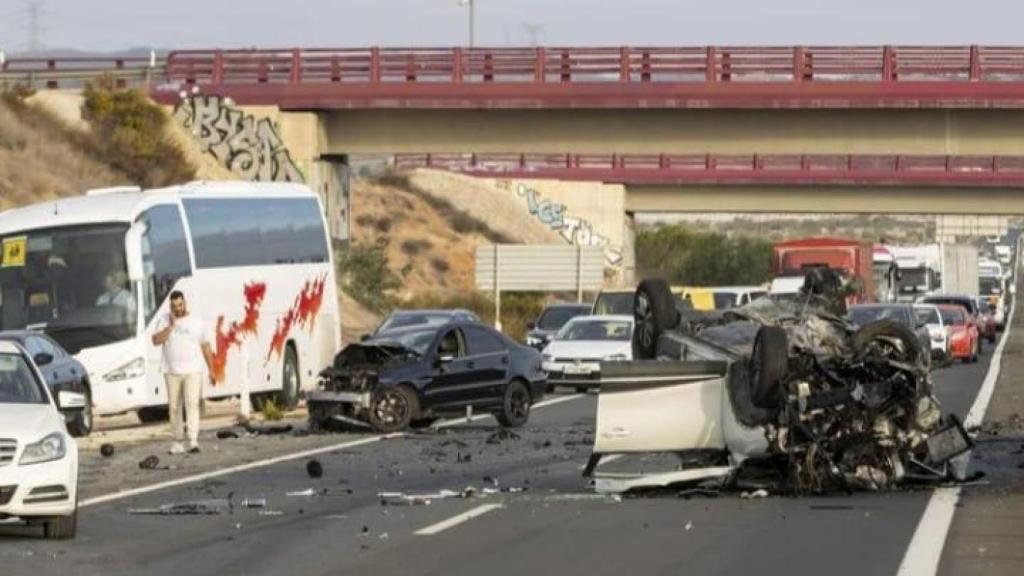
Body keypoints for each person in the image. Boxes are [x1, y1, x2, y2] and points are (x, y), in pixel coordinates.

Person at [151, 291, 216, 455]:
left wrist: (212, 369)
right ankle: (177, 441)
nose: (177, 309)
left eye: (180, 305)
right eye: (174, 306)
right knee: (174, 407)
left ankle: (193, 440)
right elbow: (156, 340)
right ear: (170, 306)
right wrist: (171, 327)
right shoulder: (164, 320)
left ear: (185, 303)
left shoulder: (196, 322)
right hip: (171, 370)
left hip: (193, 370)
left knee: (192, 403)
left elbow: (205, 346)